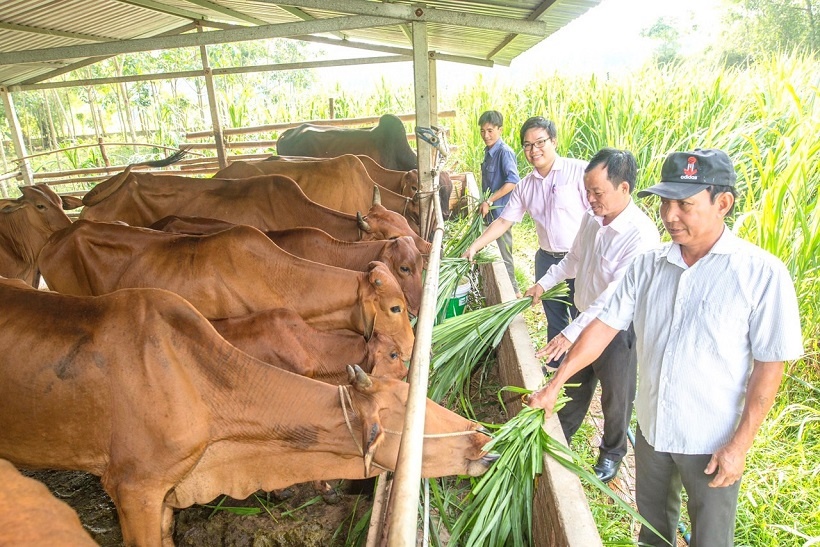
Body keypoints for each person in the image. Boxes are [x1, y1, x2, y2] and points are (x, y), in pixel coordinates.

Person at [528, 148, 803, 547]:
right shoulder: (649, 265)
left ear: (723, 203)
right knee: (653, 532)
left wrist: (739, 445)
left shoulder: (760, 274)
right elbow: (603, 326)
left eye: (685, 204)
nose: (670, 215)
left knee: (711, 539)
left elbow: (770, 365)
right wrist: (555, 385)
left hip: (711, 441)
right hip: (653, 431)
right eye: (665, 203)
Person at [523, 148, 660, 483]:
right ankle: (561, 436)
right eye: (587, 191)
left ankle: (612, 452)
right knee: (574, 384)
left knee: (616, 396)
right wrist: (542, 284)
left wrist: (571, 333)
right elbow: (573, 259)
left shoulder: (641, 236)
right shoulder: (591, 218)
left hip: (617, 330)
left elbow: (612, 300)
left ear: (624, 188)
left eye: (598, 192)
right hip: (583, 315)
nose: (590, 199)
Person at [463, 116, 589, 368]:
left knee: (582, 317)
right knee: (555, 317)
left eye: (540, 142)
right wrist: (475, 246)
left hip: (581, 259)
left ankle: (580, 369)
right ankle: (555, 366)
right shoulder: (525, 187)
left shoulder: (579, 172)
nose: (534, 150)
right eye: (528, 145)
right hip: (547, 259)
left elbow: (597, 214)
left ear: (554, 141)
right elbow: (503, 221)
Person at [477, 110, 521, 296]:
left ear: (500, 130)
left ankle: (513, 292)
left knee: (504, 253)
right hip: (490, 212)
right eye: (482, 131)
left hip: (502, 213)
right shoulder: (489, 152)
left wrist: (489, 200)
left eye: (490, 131)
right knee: (493, 249)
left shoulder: (504, 152)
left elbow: (513, 181)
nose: (486, 135)